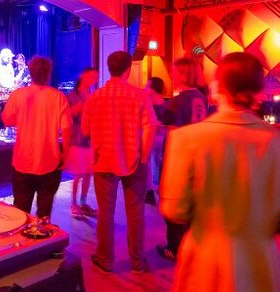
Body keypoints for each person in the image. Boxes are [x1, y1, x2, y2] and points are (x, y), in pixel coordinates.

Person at [160, 52, 280, 292]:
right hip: (262, 266)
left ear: (216, 87)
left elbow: (174, 211)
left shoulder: (186, 140)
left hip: (205, 265)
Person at [81, 51, 157, 274]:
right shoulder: (140, 96)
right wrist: (143, 158)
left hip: (103, 161)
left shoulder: (95, 97)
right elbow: (150, 128)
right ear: (128, 69)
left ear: (109, 68)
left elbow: (85, 130)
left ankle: (105, 259)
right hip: (134, 161)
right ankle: (137, 261)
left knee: (105, 213)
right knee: (136, 213)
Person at [0, 56, 71, 218]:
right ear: (49, 73)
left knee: (20, 212)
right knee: (44, 214)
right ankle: (41, 241)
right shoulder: (58, 97)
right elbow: (67, 129)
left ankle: (22, 243)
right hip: (50, 162)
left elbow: (7, 120)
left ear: (30, 73)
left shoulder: (18, 95)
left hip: (22, 162)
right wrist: (66, 154)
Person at [156, 57, 209, 261]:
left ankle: (175, 248)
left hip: (180, 159)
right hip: (199, 157)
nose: (172, 76)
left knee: (174, 206)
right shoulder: (200, 98)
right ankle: (191, 246)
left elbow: (171, 134)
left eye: (175, 72)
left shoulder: (177, 102)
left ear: (184, 74)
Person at [65, 68, 99, 218]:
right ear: (84, 76)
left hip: (91, 139)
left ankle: (83, 203)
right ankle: (73, 204)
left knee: (88, 173)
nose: (95, 79)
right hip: (77, 138)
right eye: (92, 76)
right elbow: (65, 116)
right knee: (79, 173)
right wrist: (78, 109)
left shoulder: (93, 95)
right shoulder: (72, 95)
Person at [144, 77, 169, 206]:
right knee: (157, 163)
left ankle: (150, 192)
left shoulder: (149, 102)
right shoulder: (164, 102)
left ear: (153, 88)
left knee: (149, 164)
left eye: (148, 85)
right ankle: (158, 191)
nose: (145, 88)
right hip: (162, 136)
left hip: (153, 136)